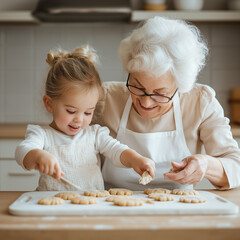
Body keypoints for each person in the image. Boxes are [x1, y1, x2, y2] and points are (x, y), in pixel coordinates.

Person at [92, 16, 240, 191]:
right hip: (112, 209)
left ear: (180, 86)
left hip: (179, 213)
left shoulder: (200, 102)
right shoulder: (105, 99)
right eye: (137, 87)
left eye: (160, 93)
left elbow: (235, 166)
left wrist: (206, 164)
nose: (146, 102)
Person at [15, 45, 155, 191]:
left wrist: (135, 159)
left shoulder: (95, 134)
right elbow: (22, 151)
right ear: (49, 104)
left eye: (88, 113)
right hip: (53, 208)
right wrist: (37, 155)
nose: (79, 119)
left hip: (92, 207)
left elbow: (116, 150)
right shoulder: (42, 135)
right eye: (71, 111)